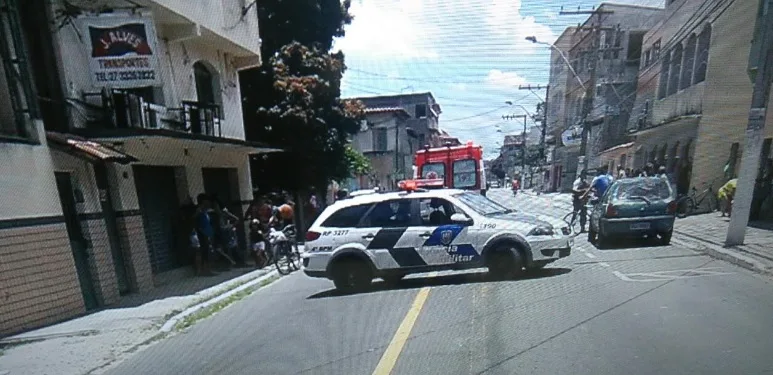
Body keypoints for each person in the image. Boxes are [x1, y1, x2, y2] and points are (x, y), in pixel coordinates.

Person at [193, 194, 215, 276]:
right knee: (202, 252)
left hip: (207, 234)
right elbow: (197, 223)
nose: (208, 202)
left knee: (207, 252)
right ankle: (203, 270)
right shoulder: (199, 211)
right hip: (201, 235)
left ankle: (208, 269)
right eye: (206, 200)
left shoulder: (205, 211)